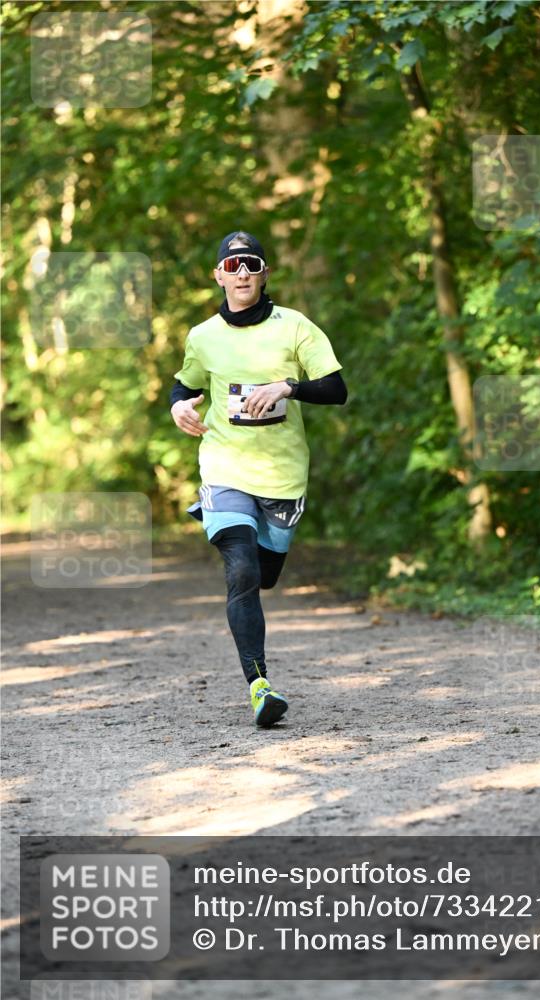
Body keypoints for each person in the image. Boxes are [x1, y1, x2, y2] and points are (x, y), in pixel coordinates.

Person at [170, 230, 347, 728]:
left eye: (251, 264)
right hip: (225, 466)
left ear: (265, 273)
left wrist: (287, 387)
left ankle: (239, 527)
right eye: (232, 265)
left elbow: (337, 389)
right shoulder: (202, 336)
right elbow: (184, 384)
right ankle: (260, 685)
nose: (242, 273)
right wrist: (177, 406)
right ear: (218, 275)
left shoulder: (296, 328)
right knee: (242, 570)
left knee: (265, 573)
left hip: (283, 477)